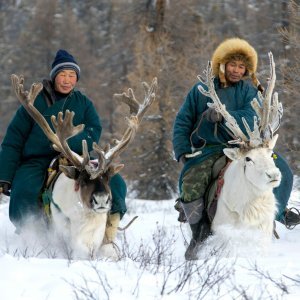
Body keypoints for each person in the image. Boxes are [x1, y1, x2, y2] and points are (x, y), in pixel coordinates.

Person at [172, 38, 297, 260]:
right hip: (212, 147)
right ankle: (198, 232)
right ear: (221, 64)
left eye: (242, 67)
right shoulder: (201, 90)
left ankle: (278, 214)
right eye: (233, 65)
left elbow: (252, 115)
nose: (237, 71)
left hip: (248, 146)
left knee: (283, 171)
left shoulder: (249, 91)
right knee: (192, 180)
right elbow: (183, 120)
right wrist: (182, 150)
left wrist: (225, 116)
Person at [0, 49, 127, 242]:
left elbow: (94, 129)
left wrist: (68, 143)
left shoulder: (83, 102)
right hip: (38, 160)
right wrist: (5, 177)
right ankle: (31, 233)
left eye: (71, 75)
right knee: (26, 188)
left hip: (77, 158)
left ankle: (109, 230)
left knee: (114, 182)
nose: (67, 80)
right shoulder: (33, 102)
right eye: (62, 75)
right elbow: (13, 140)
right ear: (53, 77)